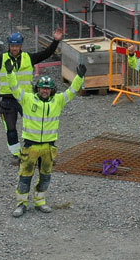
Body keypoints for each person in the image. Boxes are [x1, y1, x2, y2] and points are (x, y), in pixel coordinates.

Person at [0, 28, 64, 159]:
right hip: (8, 100)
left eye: (16, 46)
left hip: (25, 99)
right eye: (12, 46)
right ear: (9, 45)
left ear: (21, 45)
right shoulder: (1, 59)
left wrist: (55, 41)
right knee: (11, 129)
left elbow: (46, 53)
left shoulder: (29, 58)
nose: (14, 48)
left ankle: (35, 149)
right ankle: (16, 154)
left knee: (33, 125)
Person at [9, 70, 88, 217]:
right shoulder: (27, 99)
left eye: (48, 88)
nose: (45, 90)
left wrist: (79, 77)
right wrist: (9, 73)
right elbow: (14, 88)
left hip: (49, 147)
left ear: (52, 90)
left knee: (46, 176)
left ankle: (40, 201)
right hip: (30, 146)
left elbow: (72, 91)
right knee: (25, 176)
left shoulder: (58, 100)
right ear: (37, 89)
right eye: (42, 88)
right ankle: (21, 204)